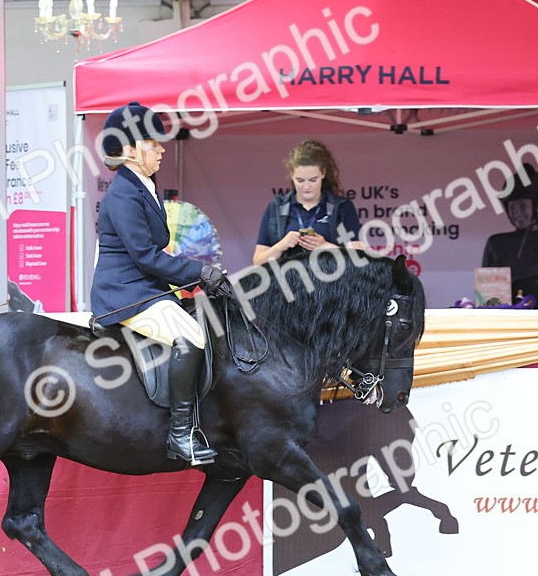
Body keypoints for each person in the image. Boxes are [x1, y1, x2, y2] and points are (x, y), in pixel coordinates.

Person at [90, 102, 232, 465]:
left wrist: (194, 277)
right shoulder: (123, 194)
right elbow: (145, 257)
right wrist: (200, 272)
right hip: (125, 294)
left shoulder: (144, 186)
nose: (162, 150)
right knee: (190, 336)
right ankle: (180, 435)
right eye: (153, 144)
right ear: (130, 150)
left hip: (146, 288)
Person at [253, 140, 362, 265]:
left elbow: (358, 258)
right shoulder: (276, 208)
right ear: (291, 175)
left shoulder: (342, 207)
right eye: (300, 180)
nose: (306, 187)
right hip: (287, 276)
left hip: (331, 276)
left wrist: (325, 246)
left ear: (323, 173)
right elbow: (258, 261)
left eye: (313, 180)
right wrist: (280, 246)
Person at [480, 163, 538, 309]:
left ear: (537, 206)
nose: (517, 213)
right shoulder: (496, 244)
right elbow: (488, 298)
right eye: (512, 207)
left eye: (522, 206)